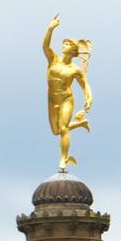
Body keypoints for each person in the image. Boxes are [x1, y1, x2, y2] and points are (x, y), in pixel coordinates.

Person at [42, 15, 93, 171]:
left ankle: (63, 160)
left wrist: (89, 95)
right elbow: (45, 46)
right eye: (63, 43)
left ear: (73, 50)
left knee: (63, 129)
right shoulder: (53, 59)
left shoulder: (74, 69)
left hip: (66, 99)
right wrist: (50, 28)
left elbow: (84, 83)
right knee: (56, 131)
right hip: (52, 99)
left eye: (66, 44)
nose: (63, 46)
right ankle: (80, 123)